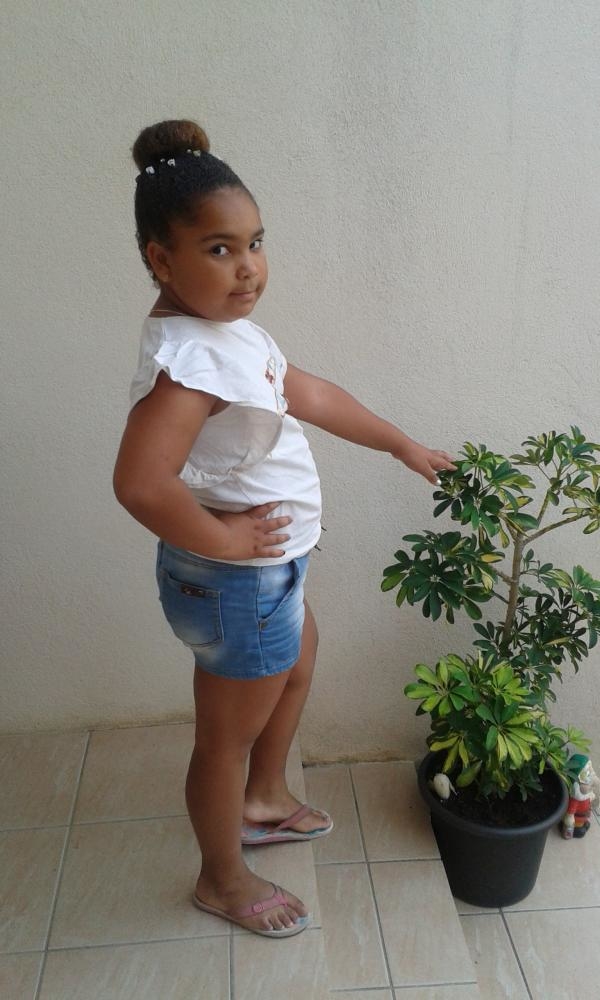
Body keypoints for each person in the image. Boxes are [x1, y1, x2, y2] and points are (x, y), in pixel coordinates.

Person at [113, 118, 456, 938]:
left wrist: (401, 444)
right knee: (222, 740)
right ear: (162, 258)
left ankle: (263, 801)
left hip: (268, 573)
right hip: (236, 580)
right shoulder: (188, 366)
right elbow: (139, 482)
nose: (249, 267)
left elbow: (311, 393)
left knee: (297, 664)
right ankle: (222, 879)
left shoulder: (225, 332)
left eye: (255, 242)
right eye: (219, 248)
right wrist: (228, 541)